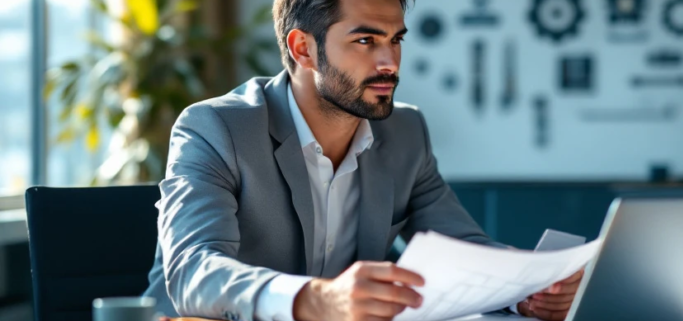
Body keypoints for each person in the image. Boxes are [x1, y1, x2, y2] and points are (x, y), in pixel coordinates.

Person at [143, 0, 582, 320]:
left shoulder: (406, 133)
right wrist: (316, 299)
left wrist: (524, 290)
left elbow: (463, 246)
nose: (390, 62)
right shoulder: (215, 128)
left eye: (395, 40)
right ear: (303, 49)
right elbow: (193, 271)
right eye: (366, 40)